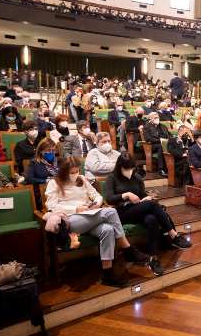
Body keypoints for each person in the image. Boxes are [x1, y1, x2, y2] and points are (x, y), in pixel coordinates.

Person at [44, 157, 149, 287]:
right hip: (71, 219)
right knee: (110, 212)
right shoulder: (54, 183)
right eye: (72, 172)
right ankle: (127, 248)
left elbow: (97, 195)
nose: (75, 175)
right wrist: (76, 208)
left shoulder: (82, 179)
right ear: (63, 172)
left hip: (89, 215)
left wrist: (96, 204)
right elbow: (52, 206)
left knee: (108, 230)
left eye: (76, 171)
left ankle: (107, 274)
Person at [104, 153, 191, 277]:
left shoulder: (136, 177)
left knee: (152, 219)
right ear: (120, 167)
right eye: (126, 168)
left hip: (138, 209)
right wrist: (126, 195)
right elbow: (109, 198)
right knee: (152, 205)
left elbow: (142, 194)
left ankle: (153, 258)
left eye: (131, 168)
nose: (129, 171)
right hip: (121, 212)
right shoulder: (112, 178)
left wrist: (146, 197)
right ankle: (173, 234)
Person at [142, 112, 170, 176]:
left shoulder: (163, 126)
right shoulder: (147, 127)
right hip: (153, 145)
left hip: (165, 143)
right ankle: (161, 169)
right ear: (150, 119)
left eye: (158, 117)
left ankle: (172, 168)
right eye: (155, 117)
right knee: (161, 147)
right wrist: (160, 141)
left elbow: (169, 135)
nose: (157, 119)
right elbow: (148, 139)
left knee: (172, 146)